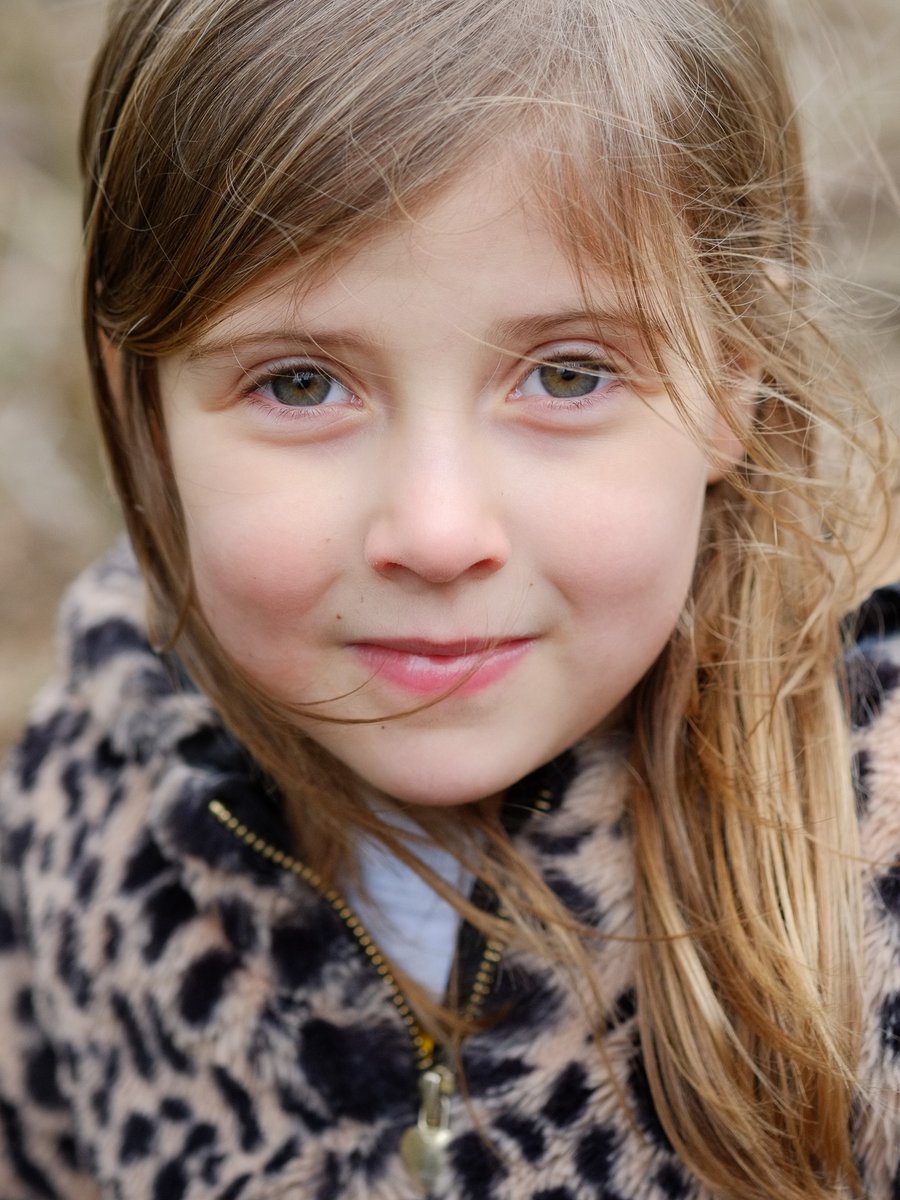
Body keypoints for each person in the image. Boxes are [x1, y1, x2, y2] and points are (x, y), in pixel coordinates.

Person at [0, 0, 898, 1195]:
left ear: (736, 372)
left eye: (568, 374)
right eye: (303, 381)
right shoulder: (93, 797)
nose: (435, 532)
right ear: (148, 407)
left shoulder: (871, 881)